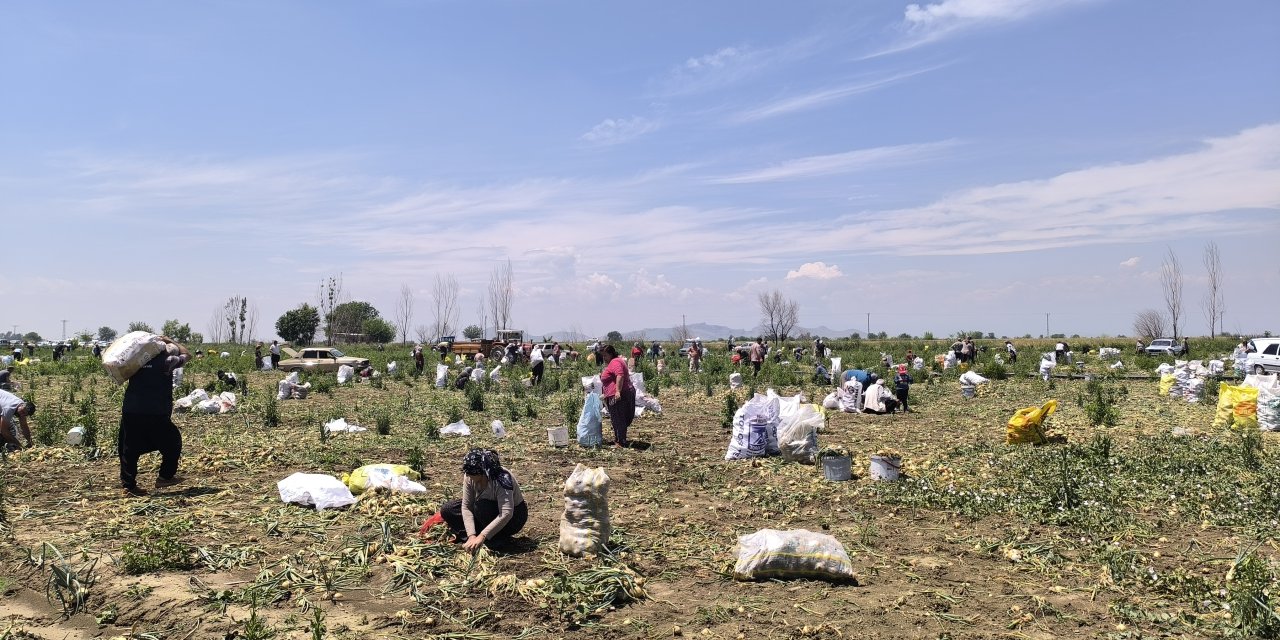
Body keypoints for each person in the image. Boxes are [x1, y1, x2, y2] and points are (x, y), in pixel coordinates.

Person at [120, 336, 190, 497]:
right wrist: (169, 340)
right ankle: (165, 476)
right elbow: (187, 354)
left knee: (129, 448)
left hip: (132, 408)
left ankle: (128, 486)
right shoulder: (168, 361)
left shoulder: (137, 361)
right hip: (155, 410)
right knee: (173, 442)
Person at [434, 449, 528, 553]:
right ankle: (473, 540)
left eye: (472, 475)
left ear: (483, 473)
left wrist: (483, 535)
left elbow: (506, 513)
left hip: (514, 517)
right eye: (467, 474)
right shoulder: (469, 476)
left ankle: (496, 538)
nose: (468, 477)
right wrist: (471, 535)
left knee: (481, 506)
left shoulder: (502, 478)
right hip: (484, 512)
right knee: (448, 509)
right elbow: (466, 507)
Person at [599, 344, 636, 448]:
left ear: (611, 354)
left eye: (605, 355)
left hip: (619, 394)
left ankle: (621, 442)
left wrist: (618, 391)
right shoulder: (616, 361)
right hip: (619, 393)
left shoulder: (615, 362)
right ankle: (618, 439)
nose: (604, 358)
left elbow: (620, 375)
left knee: (618, 418)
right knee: (617, 418)